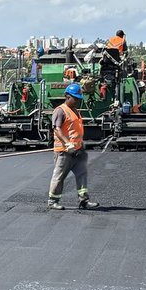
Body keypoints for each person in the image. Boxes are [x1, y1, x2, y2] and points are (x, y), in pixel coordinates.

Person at [47, 83, 98, 211]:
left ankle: (84, 201)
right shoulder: (60, 110)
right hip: (64, 152)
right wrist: (67, 143)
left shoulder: (75, 110)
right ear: (67, 96)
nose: (77, 101)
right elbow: (57, 129)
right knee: (59, 176)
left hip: (77, 151)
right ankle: (53, 201)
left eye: (78, 98)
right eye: (75, 98)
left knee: (82, 174)